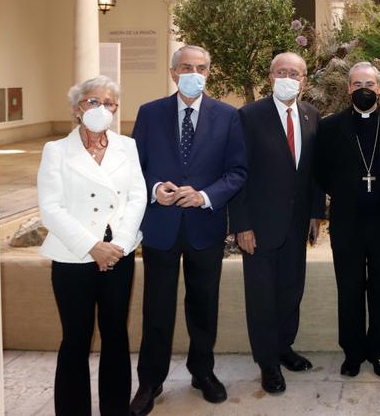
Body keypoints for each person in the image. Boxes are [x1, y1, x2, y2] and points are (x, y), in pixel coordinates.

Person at [129, 45, 247, 415]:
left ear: (209, 72)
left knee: (203, 306)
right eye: (185, 67)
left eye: (200, 67)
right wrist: (154, 189)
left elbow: (238, 172)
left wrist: (205, 196)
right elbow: (134, 166)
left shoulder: (227, 116)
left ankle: (203, 372)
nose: (193, 72)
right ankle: (150, 382)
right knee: (157, 308)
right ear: (172, 71)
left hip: (204, 227)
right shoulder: (149, 114)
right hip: (161, 227)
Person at [37, 76, 147, 416]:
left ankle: (116, 410)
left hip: (118, 255)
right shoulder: (56, 150)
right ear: (76, 109)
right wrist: (92, 246)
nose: (102, 109)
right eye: (93, 102)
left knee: (115, 335)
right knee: (76, 339)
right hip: (73, 256)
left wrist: (121, 244)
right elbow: (51, 208)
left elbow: (137, 196)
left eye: (109, 104)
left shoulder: (126, 147)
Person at [231, 52, 323, 395]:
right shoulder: (249, 116)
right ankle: (267, 363)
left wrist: (316, 213)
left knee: (290, 291)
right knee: (261, 297)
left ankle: (284, 348)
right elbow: (238, 174)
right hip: (258, 226)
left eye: (295, 73)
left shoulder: (311, 115)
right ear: (270, 77)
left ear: (304, 80)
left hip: (296, 225)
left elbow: (313, 172)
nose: (288, 77)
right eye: (281, 71)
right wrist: (241, 224)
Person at [316, 62, 380, 377]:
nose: (363, 89)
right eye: (356, 83)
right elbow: (321, 171)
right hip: (347, 222)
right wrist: (345, 192)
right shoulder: (330, 128)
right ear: (348, 89)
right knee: (350, 289)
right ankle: (352, 352)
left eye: (369, 83)